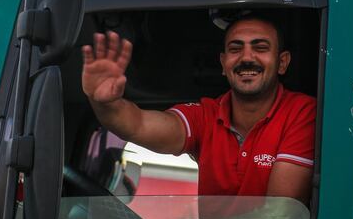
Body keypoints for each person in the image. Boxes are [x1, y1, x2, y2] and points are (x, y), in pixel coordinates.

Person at [81, 15, 316, 206]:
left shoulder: (302, 112)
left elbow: (280, 215)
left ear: (282, 62)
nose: (247, 57)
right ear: (224, 64)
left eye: (260, 47)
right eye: (235, 49)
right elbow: (137, 125)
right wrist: (105, 103)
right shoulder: (206, 114)